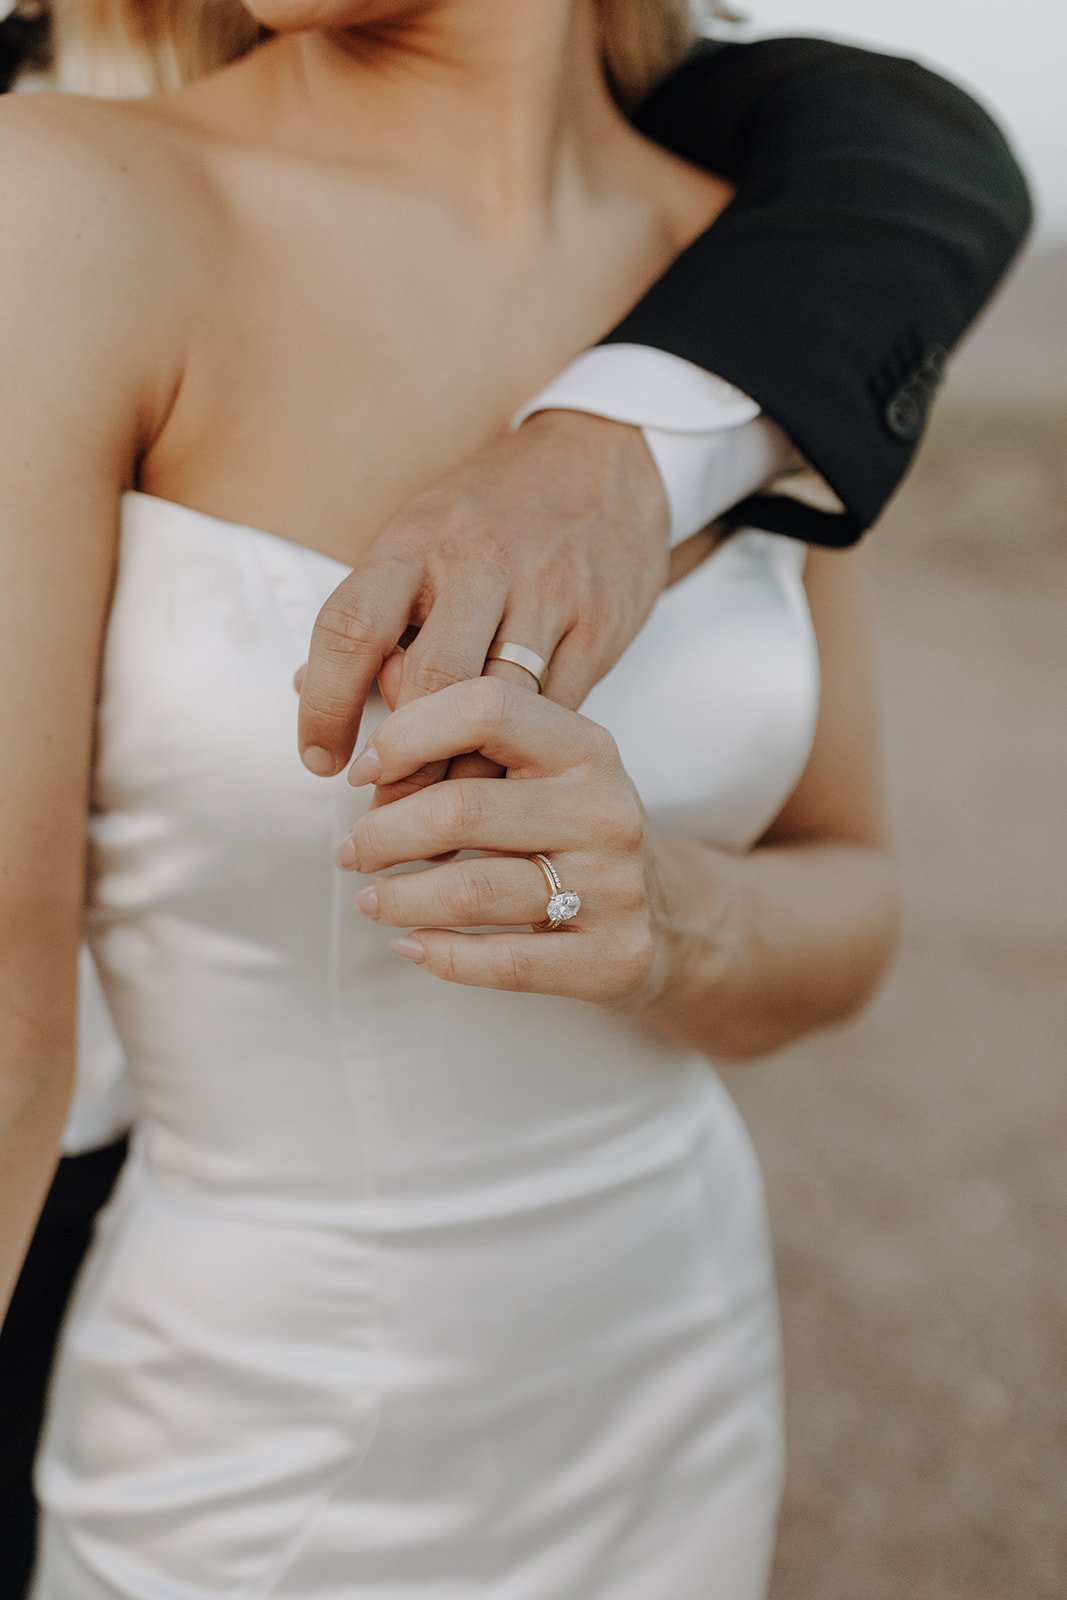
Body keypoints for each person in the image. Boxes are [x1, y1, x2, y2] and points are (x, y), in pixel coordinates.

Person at [0, 2, 1029, 1596]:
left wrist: (669, 916)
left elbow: (854, 898)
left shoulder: (749, 288)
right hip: (250, 1448)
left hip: (673, 1375)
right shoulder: (64, 208)